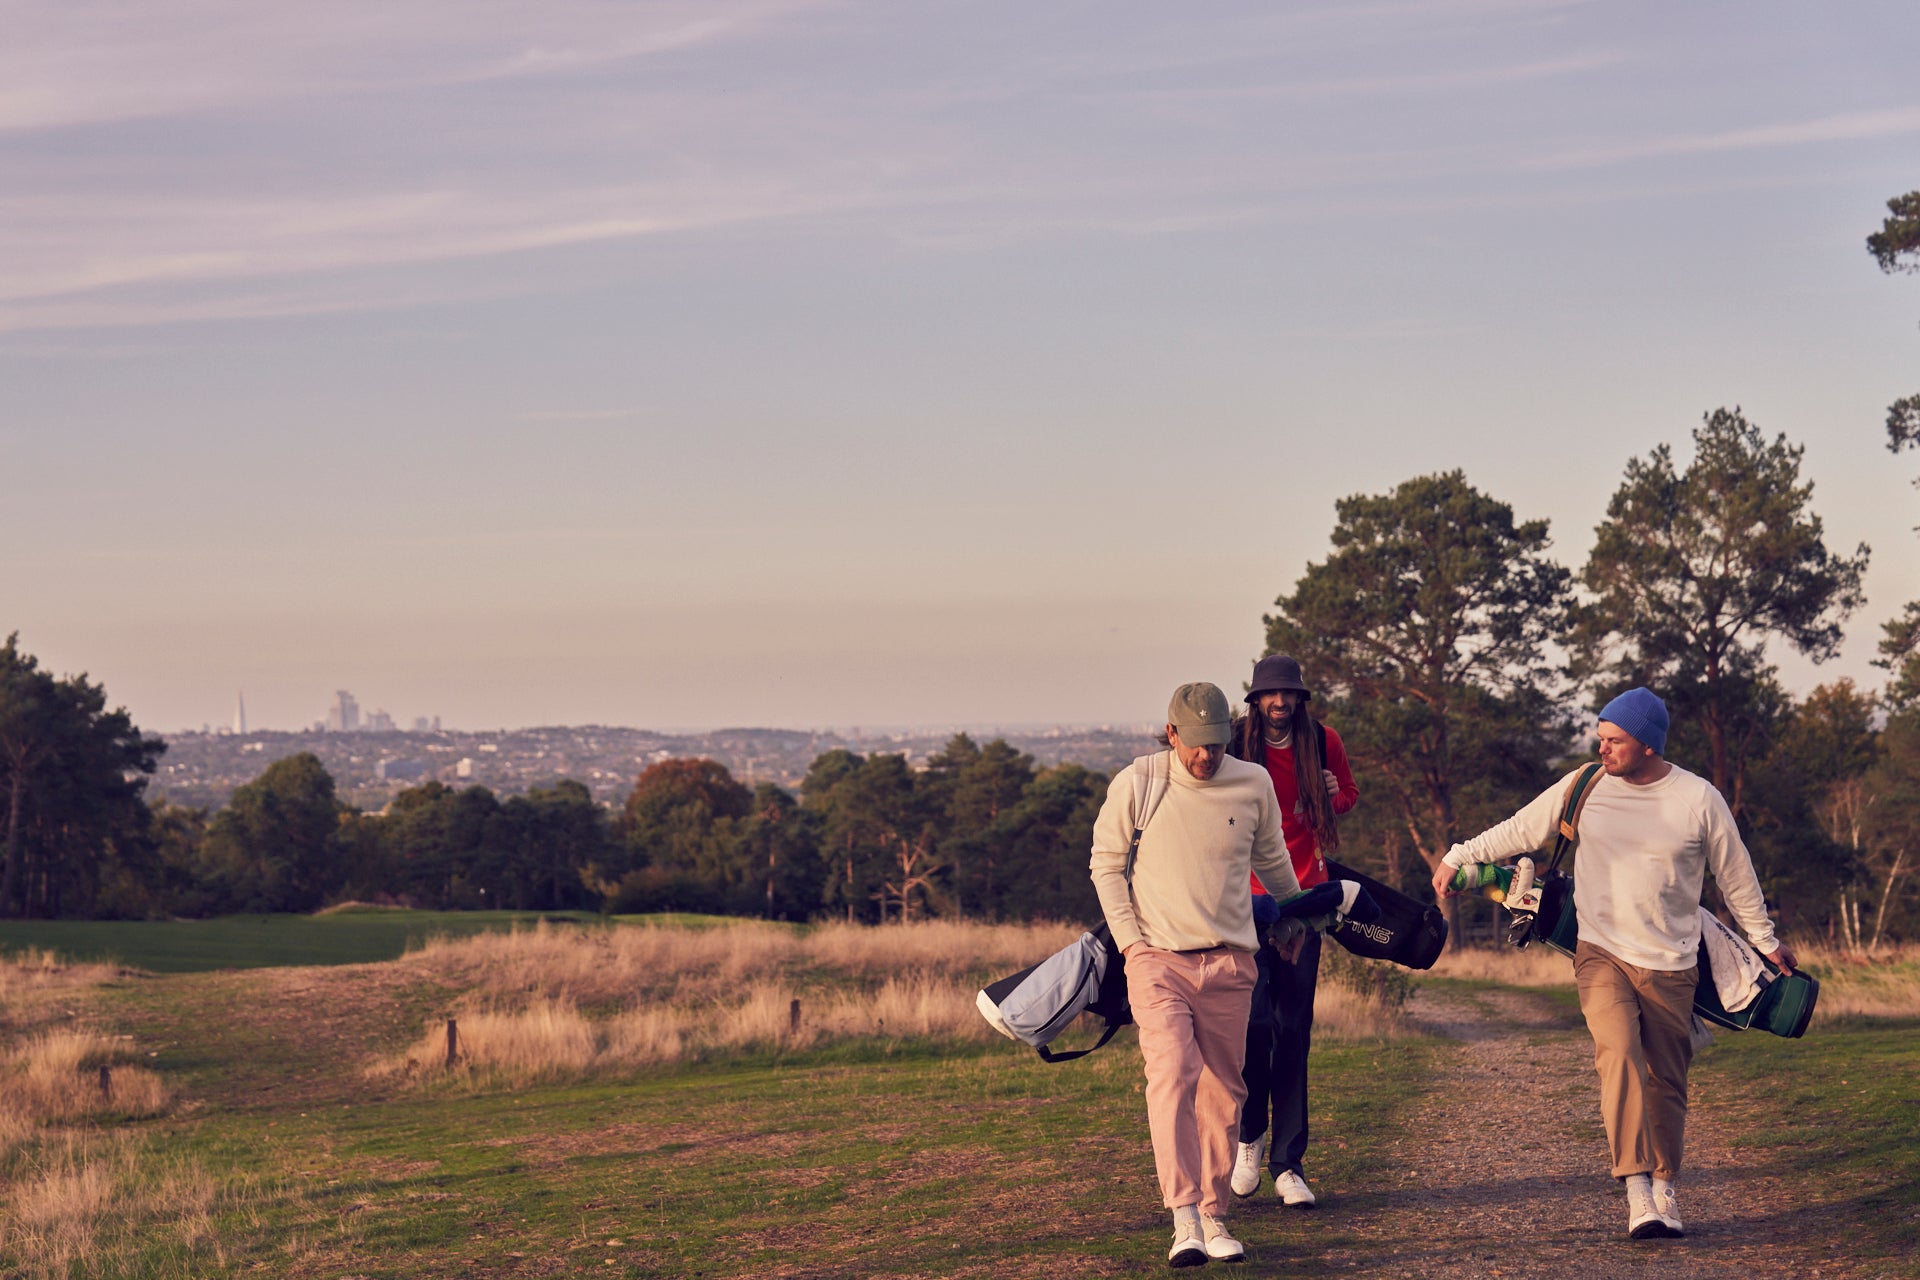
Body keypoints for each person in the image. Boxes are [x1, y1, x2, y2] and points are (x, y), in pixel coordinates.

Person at [1431, 687, 1797, 1241]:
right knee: (1618, 1056)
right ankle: (1635, 1189)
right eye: (1599, 738)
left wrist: (1765, 940)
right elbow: (1519, 828)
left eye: (1614, 741)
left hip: (1671, 963)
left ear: (1648, 744)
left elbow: (1736, 874)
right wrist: (1462, 855)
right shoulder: (1586, 784)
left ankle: (1666, 1186)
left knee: (1666, 1080)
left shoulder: (1698, 799)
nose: (1602, 749)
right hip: (1599, 951)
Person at [1091, 682, 1302, 1268]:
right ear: (1172, 734)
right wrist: (1132, 946)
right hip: (1156, 958)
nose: (1206, 757)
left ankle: (1215, 1217)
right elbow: (1105, 865)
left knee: (1224, 1091)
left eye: (1217, 745)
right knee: (1173, 1073)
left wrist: (1296, 916)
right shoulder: (1139, 780)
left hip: (1232, 960)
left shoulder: (1252, 782)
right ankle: (1183, 1217)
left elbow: (1272, 860)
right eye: (1196, 746)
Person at [1226, 655, 1359, 1209]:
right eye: (1269, 694)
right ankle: (1248, 1137)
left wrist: (1332, 792)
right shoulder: (1232, 740)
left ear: (1300, 698)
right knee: (1253, 1026)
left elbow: (1348, 796)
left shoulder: (1323, 739)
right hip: (1243, 903)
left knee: (1294, 1030)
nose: (1279, 702)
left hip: (1305, 900)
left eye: (1289, 694)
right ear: (1255, 700)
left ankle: (1289, 1164)